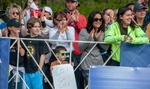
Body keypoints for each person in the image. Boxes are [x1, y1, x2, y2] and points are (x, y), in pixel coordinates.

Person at [78, 11, 108, 85]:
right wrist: (89, 39)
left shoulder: (105, 31)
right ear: (91, 20)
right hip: (87, 63)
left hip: (100, 63)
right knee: (89, 85)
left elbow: (106, 48)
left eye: (100, 19)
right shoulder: (84, 31)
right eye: (96, 19)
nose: (98, 21)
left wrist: (98, 40)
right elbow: (80, 48)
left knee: (99, 85)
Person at [64, 0, 87, 89]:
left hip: (78, 51)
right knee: (65, 77)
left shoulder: (82, 17)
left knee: (79, 78)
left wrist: (77, 22)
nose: (70, 4)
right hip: (65, 50)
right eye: (68, 2)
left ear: (77, 4)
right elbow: (59, 28)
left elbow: (84, 32)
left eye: (72, 2)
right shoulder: (63, 15)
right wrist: (68, 22)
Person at [23, 17, 49, 89]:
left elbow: (43, 55)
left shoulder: (40, 39)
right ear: (29, 28)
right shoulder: (26, 39)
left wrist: (39, 70)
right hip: (26, 69)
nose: (37, 29)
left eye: (38, 27)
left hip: (36, 70)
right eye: (35, 27)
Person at [7, 18, 25, 89]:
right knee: (7, 86)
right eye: (16, 26)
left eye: (19, 26)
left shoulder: (21, 39)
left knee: (19, 87)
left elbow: (22, 53)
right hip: (8, 67)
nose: (18, 28)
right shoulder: (5, 39)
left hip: (18, 66)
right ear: (9, 28)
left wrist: (18, 42)